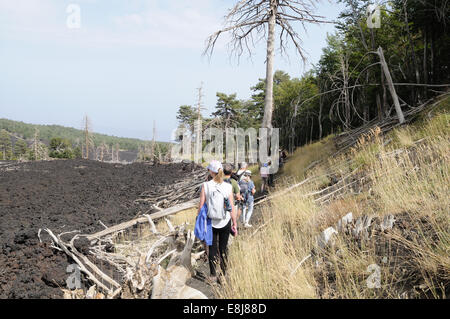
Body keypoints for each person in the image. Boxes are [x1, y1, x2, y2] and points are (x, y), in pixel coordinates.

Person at [198, 160, 237, 283]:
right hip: (225, 221)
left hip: (211, 222)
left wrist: (199, 221)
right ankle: (224, 276)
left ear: (211, 171)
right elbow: (231, 207)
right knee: (224, 248)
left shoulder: (206, 185)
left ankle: (213, 275)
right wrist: (234, 223)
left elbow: (201, 206)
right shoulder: (228, 186)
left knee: (212, 248)